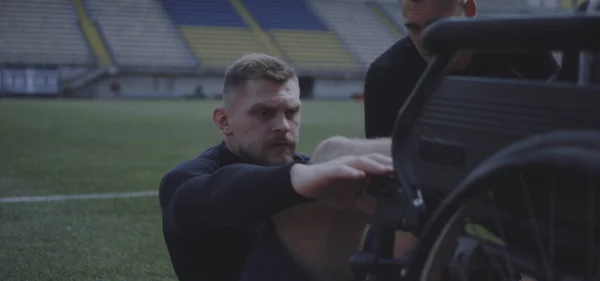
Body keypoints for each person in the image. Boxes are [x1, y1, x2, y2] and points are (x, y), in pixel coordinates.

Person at [158, 53, 394, 281]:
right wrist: (296, 180)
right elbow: (216, 193)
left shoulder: (308, 168)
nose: (283, 126)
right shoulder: (187, 178)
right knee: (331, 152)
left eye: (291, 112)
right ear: (224, 121)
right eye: (264, 113)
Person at [364, 0, 561, 139]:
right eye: (413, 28)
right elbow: (385, 175)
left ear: (469, 9)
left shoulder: (522, 51)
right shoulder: (385, 76)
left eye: (437, 26)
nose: (426, 42)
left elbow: (563, 125)